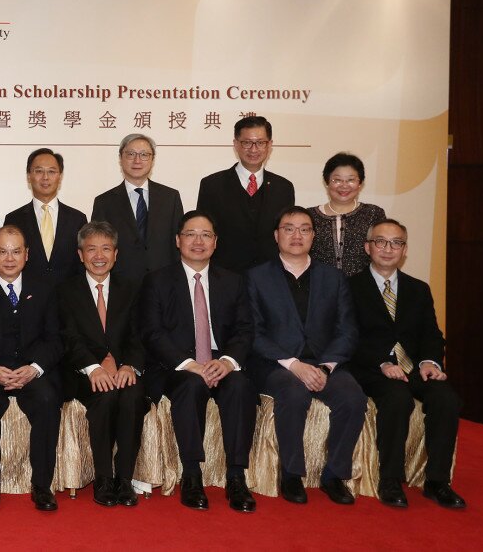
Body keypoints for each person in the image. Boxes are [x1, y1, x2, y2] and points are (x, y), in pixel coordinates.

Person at [137, 211, 257, 512]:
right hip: (178, 366)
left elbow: (245, 329)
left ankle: (235, 477)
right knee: (190, 387)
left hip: (220, 361)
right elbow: (152, 333)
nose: (198, 241)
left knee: (241, 386)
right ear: (178, 241)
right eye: (191, 234)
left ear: (215, 242)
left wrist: (228, 361)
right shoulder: (157, 280)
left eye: (206, 235)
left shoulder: (233, 281)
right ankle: (191, 474)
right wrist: (190, 364)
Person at [245, 206, 366, 505]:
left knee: (353, 397)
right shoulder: (256, 277)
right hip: (276, 364)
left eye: (304, 229)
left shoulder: (333, 278)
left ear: (314, 235)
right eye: (289, 228)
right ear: (276, 235)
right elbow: (253, 332)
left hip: (326, 363)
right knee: (293, 393)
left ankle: (334, 476)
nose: (296, 235)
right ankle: (291, 474)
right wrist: (294, 365)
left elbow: (347, 330)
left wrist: (325, 366)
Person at [349, 219, 465, 509]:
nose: (388, 249)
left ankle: (437, 482)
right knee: (397, 398)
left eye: (396, 243)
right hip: (371, 368)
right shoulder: (350, 286)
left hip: (413, 367)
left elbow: (432, 334)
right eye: (381, 241)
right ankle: (390, 480)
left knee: (446, 399)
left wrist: (429, 362)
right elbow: (347, 336)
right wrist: (381, 363)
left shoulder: (418, 289)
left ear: (404, 250)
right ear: (368, 247)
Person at [0, 225, 62, 514]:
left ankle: (42, 486)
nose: (9, 258)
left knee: (47, 400)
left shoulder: (45, 290)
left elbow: (55, 339)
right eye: (2, 251)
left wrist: (35, 368)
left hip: (31, 371)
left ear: (27, 255)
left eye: (16, 251)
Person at [58, 221, 146, 508]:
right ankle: (103, 479)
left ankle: (124, 479)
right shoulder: (66, 291)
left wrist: (129, 366)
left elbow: (138, 335)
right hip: (83, 372)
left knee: (132, 397)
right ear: (80, 255)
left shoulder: (131, 288)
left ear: (116, 254)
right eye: (91, 249)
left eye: (106, 249)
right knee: (105, 398)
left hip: (122, 369)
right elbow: (68, 338)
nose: (99, 256)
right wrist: (93, 368)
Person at [197, 116, 295, 272]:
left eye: (261, 143)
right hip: (225, 277)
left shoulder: (284, 188)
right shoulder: (212, 185)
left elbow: (287, 235)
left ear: (270, 145)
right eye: (247, 142)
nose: (254, 149)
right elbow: (203, 233)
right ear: (236, 144)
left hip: (271, 276)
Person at [91, 134, 183, 285]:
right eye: (131, 154)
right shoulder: (104, 202)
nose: (137, 160)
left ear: (152, 160)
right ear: (120, 158)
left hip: (164, 282)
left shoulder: (170, 197)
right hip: (120, 285)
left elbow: (179, 243)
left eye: (144, 155)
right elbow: (98, 245)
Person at [4, 148, 87, 285]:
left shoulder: (78, 219)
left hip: (68, 297)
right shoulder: (14, 219)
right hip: (29, 297)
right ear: (29, 176)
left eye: (51, 171)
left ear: (60, 177)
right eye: (39, 171)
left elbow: (82, 263)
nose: (45, 177)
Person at [308, 153, 386, 277]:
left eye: (351, 180)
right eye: (337, 180)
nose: (344, 186)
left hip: (362, 290)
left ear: (360, 183)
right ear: (327, 182)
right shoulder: (309, 216)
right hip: (320, 289)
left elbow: (382, 253)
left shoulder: (373, 214)